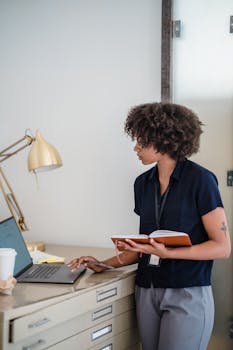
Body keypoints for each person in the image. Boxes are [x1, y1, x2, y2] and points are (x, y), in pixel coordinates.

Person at [68, 102, 231, 350]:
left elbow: (222, 248)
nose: (136, 147)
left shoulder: (201, 180)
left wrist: (170, 253)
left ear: (164, 139)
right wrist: (102, 265)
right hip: (146, 291)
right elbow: (146, 246)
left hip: (187, 292)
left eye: (142, 140)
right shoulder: (142, 184)